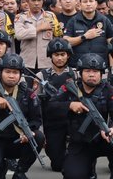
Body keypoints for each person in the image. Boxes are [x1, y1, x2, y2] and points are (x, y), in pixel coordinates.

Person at [48, 53, 113, 179]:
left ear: (101, 74)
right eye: (87, 71)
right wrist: (70, 105)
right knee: (73, 175)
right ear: (81, 73)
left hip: (103, 139)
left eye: (95, 71)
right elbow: (50, 107)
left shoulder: (108, 89)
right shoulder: (69, 87)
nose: (92, 74)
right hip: (80, 142)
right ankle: (89, 170)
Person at [0, 53, 44, 179]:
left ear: (20, 75)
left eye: (15, 72)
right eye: (8, 71)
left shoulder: (27, 94)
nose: (11, 76)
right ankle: (1, 167)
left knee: (38, 137)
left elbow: (36, 120)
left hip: (16, 141)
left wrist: (28, 133)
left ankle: (20, 171)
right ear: (0, 72)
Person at [35, 38, 76, 172]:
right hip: (52, 122)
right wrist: (41, 131)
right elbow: (35, 104)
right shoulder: (41, 76)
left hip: (73, 120)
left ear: (68, 55)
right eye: (56, 55)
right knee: (57, 165)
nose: (59, 58)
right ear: (50, 56)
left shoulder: (77, 74)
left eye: (62, 54)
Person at [14, 0, 63, 83]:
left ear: (43, 1)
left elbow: (58, 35)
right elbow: (19, 35)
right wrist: (39, 28)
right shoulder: (21, 17)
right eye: (33, 0)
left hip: (46, 62)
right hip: (27, 62)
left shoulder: (50, 16)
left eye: (39, 0)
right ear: (28, 1)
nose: (36, 3)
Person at [64, 0, 113, 66]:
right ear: (80, 4)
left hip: (100, 66)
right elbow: (66, 42)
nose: (88, 4)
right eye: (85, 2)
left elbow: (111, 45)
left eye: (91, 1)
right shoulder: (73, 21)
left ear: (96, 3)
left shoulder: (105, 20)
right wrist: (84, 37)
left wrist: (112, 66)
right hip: (78, 66)